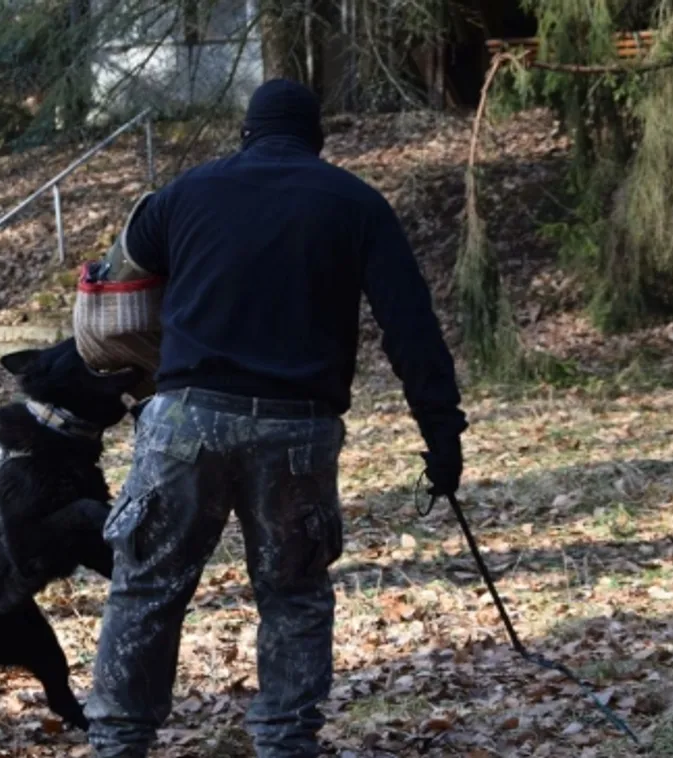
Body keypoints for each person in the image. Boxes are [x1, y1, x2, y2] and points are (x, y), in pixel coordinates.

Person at [83, 78, 467, 757]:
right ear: (316, 139)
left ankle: (116, 745)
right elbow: (411, 327)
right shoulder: (354, 203)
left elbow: (112, 285)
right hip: (298, 431)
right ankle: (286, 746)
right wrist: (440, 435)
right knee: (292, 596)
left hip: (182, 423)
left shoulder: (181, 195)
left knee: (145, 589)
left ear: (246, 134)